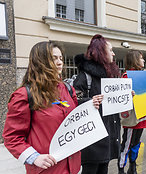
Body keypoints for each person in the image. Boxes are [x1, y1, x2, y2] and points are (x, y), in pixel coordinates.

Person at [2, 41, 90, 173]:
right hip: (47, 169)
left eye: (61, 58)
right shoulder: (24, 95)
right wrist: (33, 157)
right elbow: (12, 138)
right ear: (40, 61)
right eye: (54, 58)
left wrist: (91, 105)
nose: (60, 62)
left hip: (73, 167)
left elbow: (73, 120)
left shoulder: (67, 89)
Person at [73, 34, 121, 174]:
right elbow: (72, 102)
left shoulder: (110, 75)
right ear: (101, 52)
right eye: (110, 50)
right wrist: (90, 101)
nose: (113, 53)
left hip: (108, 135)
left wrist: (125, 97)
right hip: (91, 139)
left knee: (104, 169)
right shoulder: (85, 76)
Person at [118, 50, 146, 174]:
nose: (143, 61)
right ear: (135, 60)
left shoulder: (143, 75)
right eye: (141, 58)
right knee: (126, 144)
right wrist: (128, 94)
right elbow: (120, 96)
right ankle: (121, 168)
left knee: (136, 143)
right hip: (132, 119)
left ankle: (132, 165)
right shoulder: (126, 76)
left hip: (142, 116)